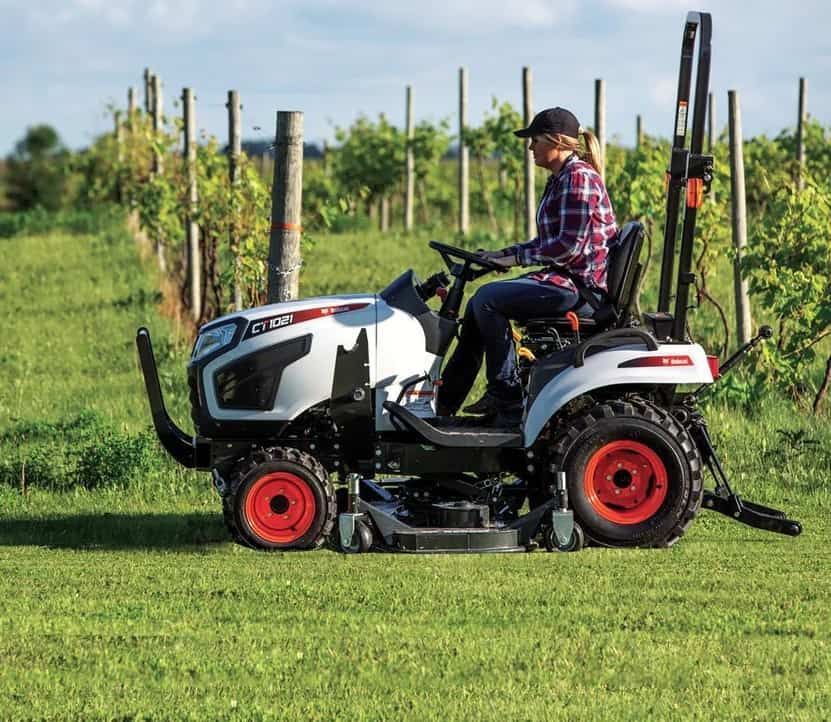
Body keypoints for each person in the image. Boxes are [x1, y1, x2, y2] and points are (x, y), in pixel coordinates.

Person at [436, 107, 618, 422]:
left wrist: (517, 258)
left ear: (556, 141)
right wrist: (501, 255)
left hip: (580, 291)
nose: (530, 147)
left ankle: (506, 398)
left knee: (489, 301)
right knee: (477, 306)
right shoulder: (562, 178)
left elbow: (567, 247)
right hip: (566, 281)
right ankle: (443, 406)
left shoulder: (579, 179)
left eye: (534, 140)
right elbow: (547, 242)